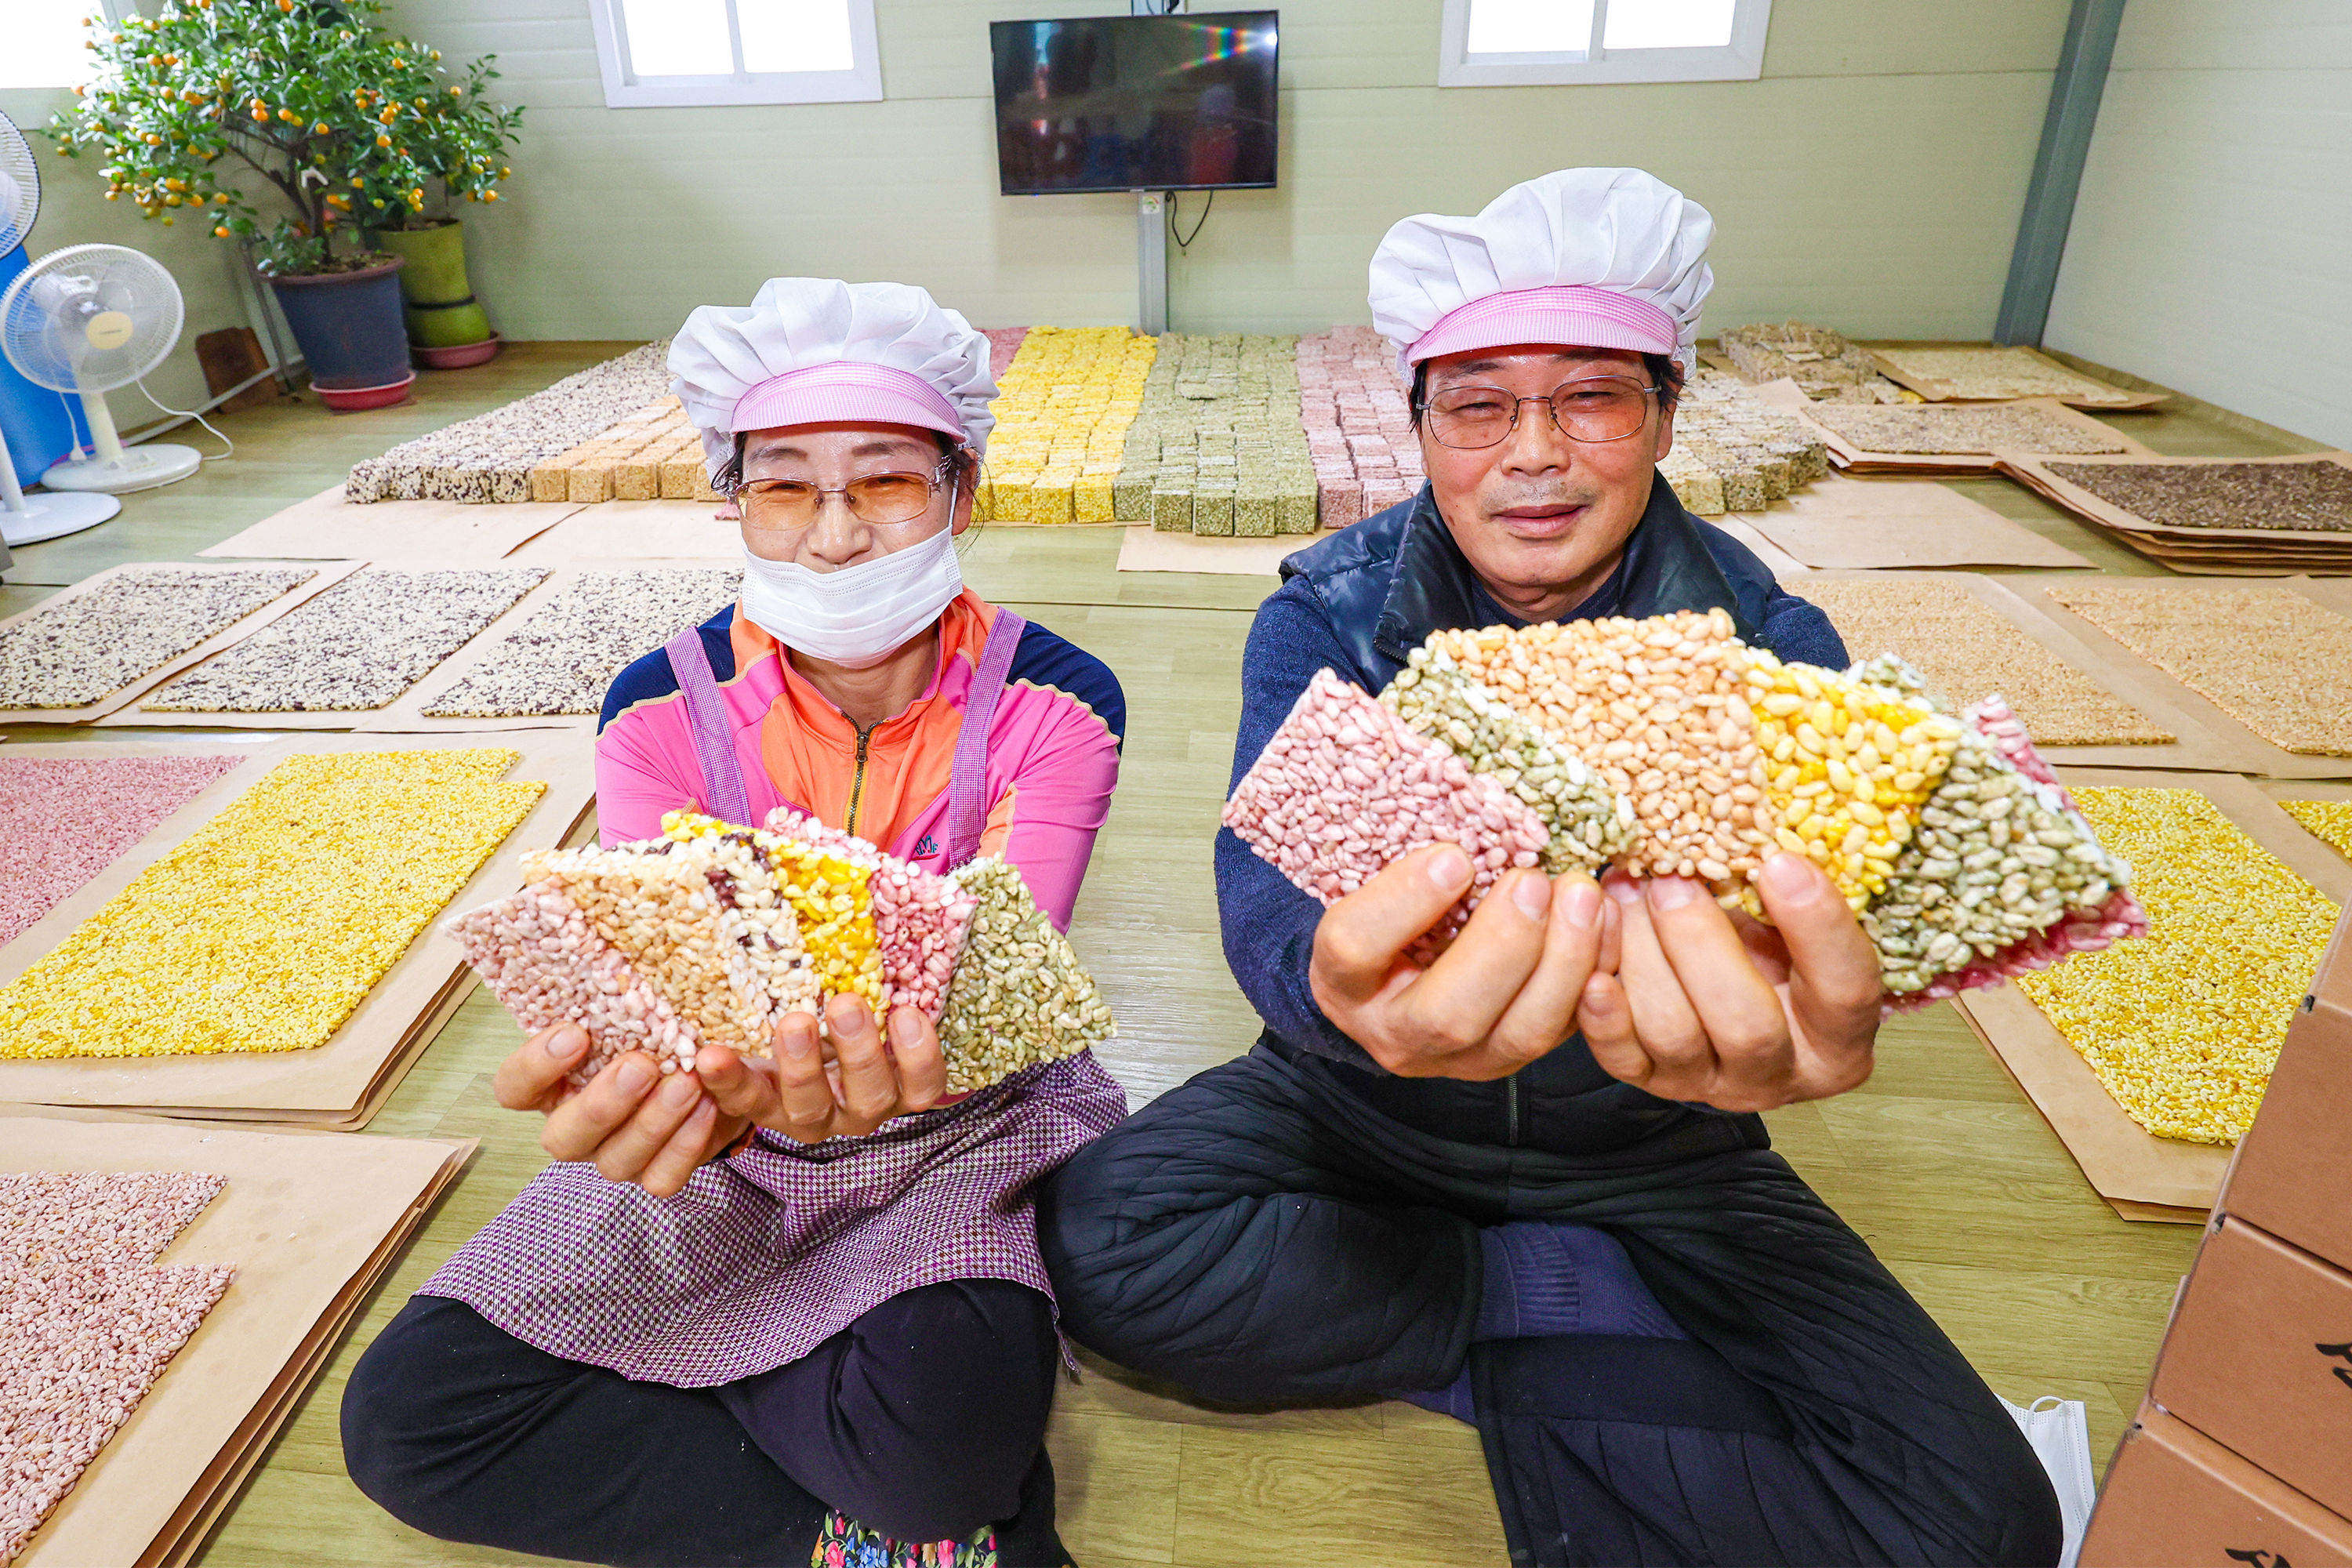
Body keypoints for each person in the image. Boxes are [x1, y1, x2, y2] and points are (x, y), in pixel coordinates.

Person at [1037, 170, 2064, 1566]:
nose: (1534, 453)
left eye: (1592, 396)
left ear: (1665, 413)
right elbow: (1271, 914)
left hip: (1654, 1143)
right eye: (1477, 404)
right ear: (1420, 429)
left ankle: (1516, 1311)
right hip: (1363, 1112)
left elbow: (1831, 937)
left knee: (1985, 1527)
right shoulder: (1328, 622)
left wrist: (1829, 1005)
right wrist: (1337, 999)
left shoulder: (1774, 653)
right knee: (1101, 1251)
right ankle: (1559, 1303)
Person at [341, 278, 1130, 1568]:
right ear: (733, 499)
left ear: (961, 495)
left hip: (961, 1119)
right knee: (408, 1427)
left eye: (885, 482)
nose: (832, 537)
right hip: (730, 1132)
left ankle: (779, 1403)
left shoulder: (1054, 696)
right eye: (784, 485)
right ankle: (859, 1520)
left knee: (942, 1452)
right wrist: (650, 1066)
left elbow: (977, 1002)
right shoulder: (658, 704)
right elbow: (687, 986)